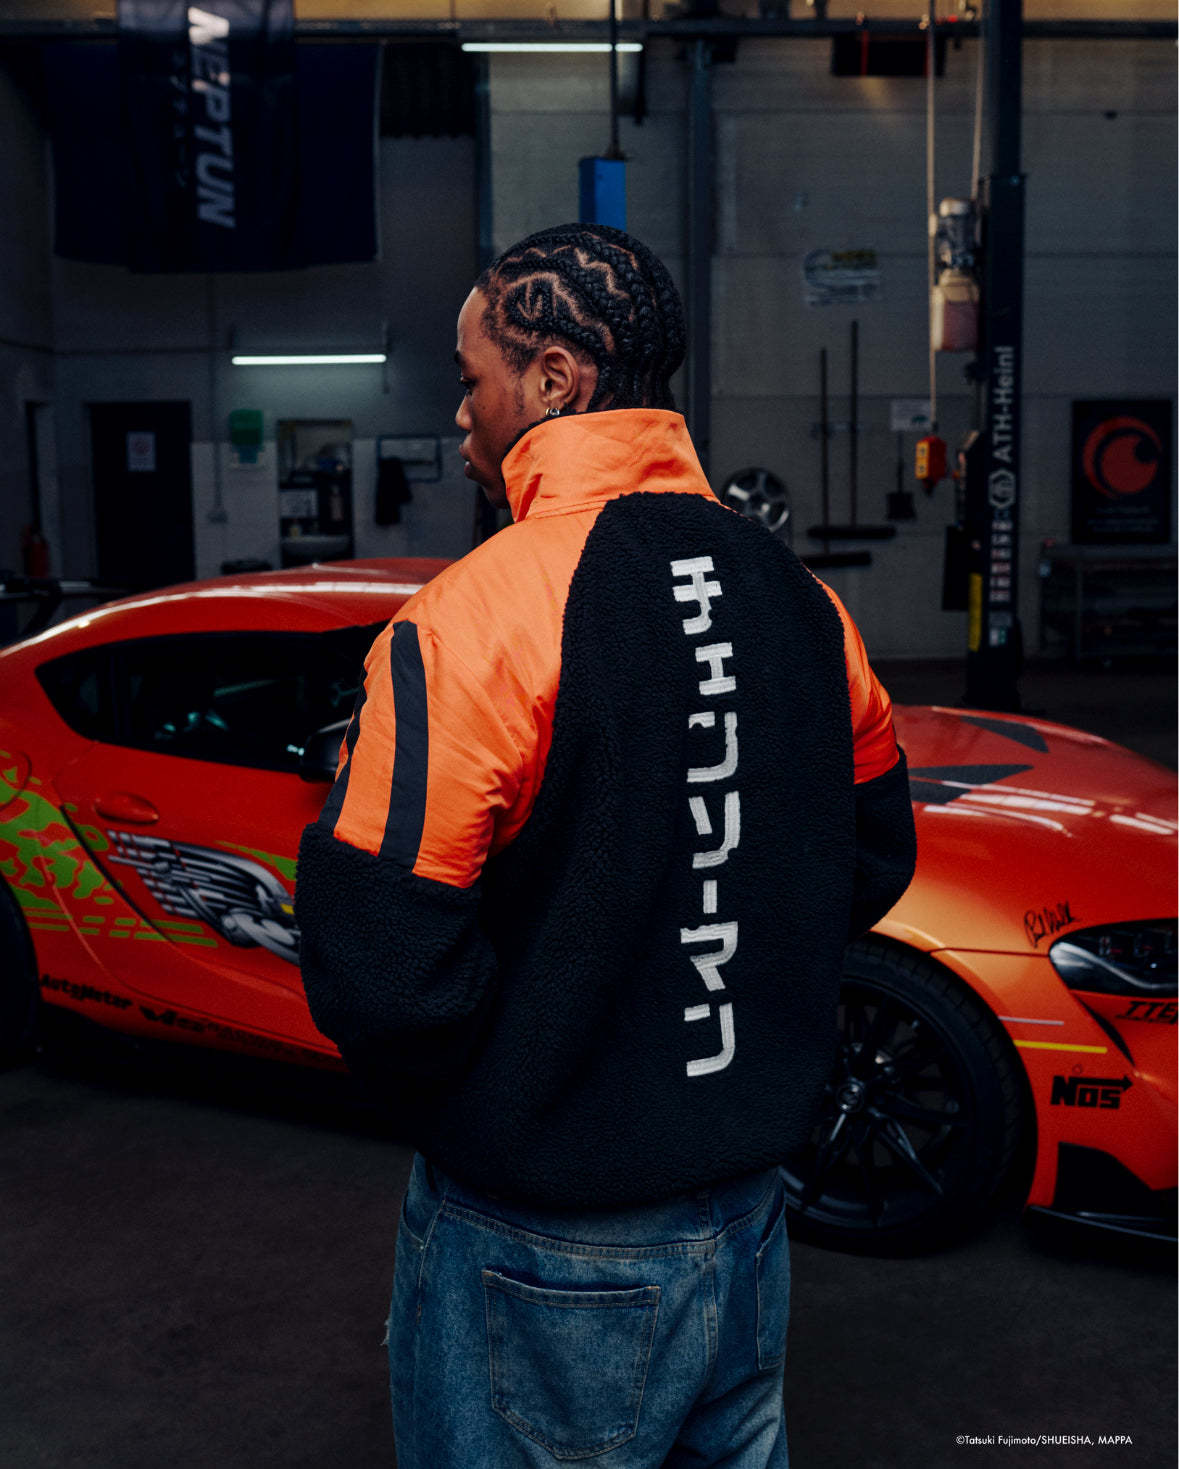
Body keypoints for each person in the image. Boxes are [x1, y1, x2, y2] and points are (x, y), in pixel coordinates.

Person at [295, 222, 916, 1467]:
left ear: (553, 379)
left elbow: (381, 975)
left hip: (540, 1245)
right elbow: (870, 858)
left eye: (470, 377)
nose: (457, 412)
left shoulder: (470, 622)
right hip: (750, 1227)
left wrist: (539, 1067)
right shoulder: (803, 602)